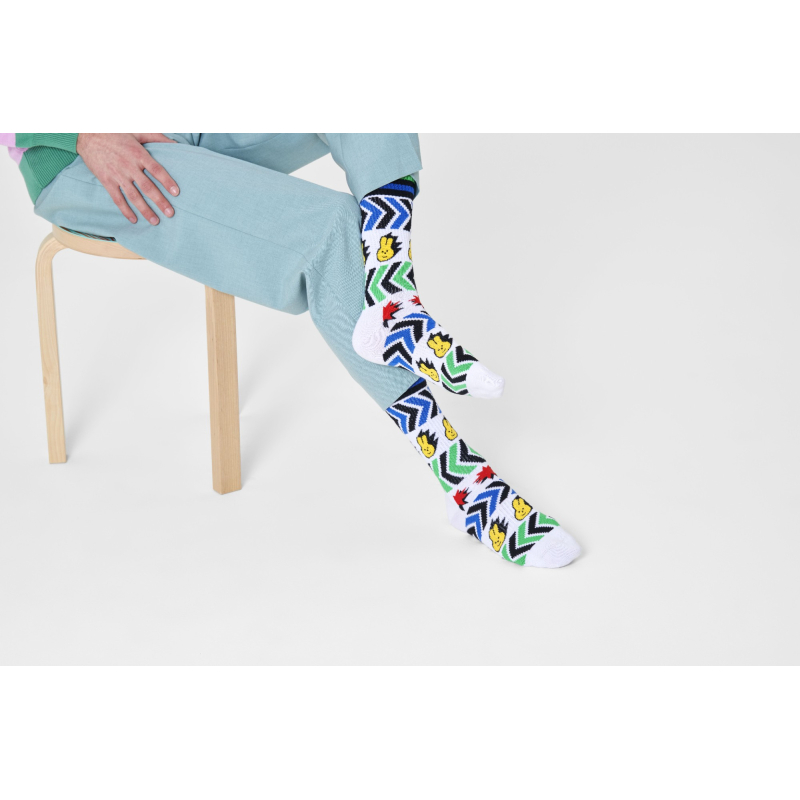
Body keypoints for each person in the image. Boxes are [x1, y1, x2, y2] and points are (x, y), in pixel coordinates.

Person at [2, 133, 581, 568]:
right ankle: (465, 481)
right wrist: (79, 132)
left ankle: (394, 300)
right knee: (327, 230)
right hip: (81, 153)